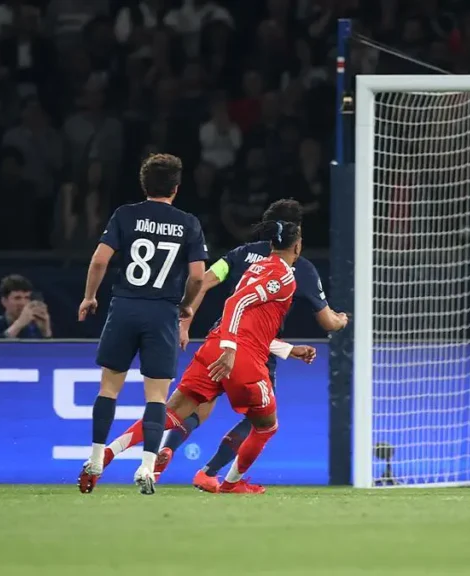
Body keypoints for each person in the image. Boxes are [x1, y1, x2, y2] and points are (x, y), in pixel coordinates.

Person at [98, 221, 314, 494]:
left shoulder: (250, 266)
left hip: (215, 344)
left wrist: (286, 349)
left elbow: (240, 313)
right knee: (266, 426)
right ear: (297, 245)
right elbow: (235, 304)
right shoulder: (285, 276)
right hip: (239, 356)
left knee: (172, 413)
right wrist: (230, 348)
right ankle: (229, 482)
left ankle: (109, 452)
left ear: (271, 244)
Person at [160, 199, 346, 492]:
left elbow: (205, 281)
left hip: (222, 338)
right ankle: (211, 472)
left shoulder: (240, 254)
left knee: (199, 405)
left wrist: (185, 321)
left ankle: (167, 448)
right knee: (259, 418)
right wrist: (342, 320)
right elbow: (327, 322)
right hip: (258, 349)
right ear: (296, 233)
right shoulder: (300, 267)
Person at [77, 153, 208, 495]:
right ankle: (147, 469)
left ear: (144, 184)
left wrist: (90, 297)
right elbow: (197, 276)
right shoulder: (188, 223)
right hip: (162, 313)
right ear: (176, 189)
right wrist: (187, 306)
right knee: (156, 397)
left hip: (124, 307)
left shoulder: (125, 215)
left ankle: (94, 459)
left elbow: (99, 260)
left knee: (108, 388)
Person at [0, 274, 52, 339]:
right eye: (17, 298)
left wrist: (46, 332)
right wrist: (19, 324)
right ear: (4, 301)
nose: (23, 303)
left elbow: (49, 349)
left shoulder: (34, 328)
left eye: (27, 298)